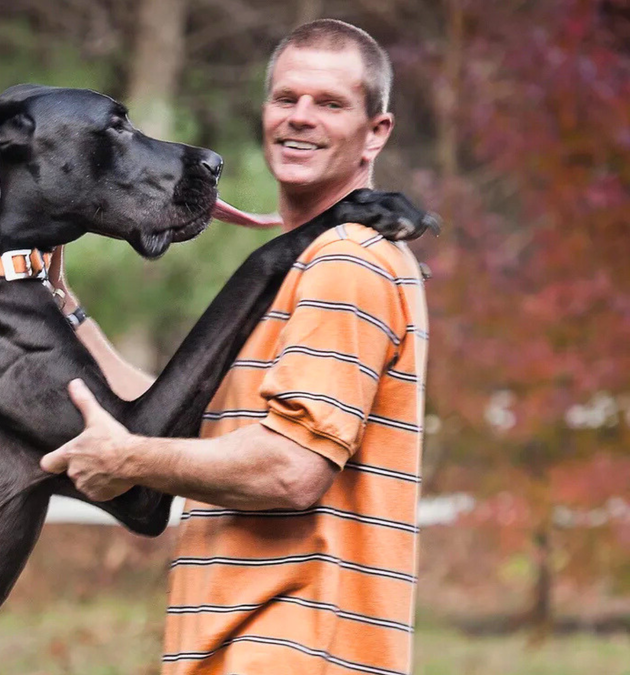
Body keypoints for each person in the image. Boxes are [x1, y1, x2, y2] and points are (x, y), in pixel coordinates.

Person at [42, 18, 429, 675]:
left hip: (295, 655)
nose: (300, 116)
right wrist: (63, 305)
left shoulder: (346, 261)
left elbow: (291, 469)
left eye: (330, 103)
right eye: (287, 98)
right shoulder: (304, 265)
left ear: (376, 132)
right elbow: (182, 422)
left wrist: (128, 459)